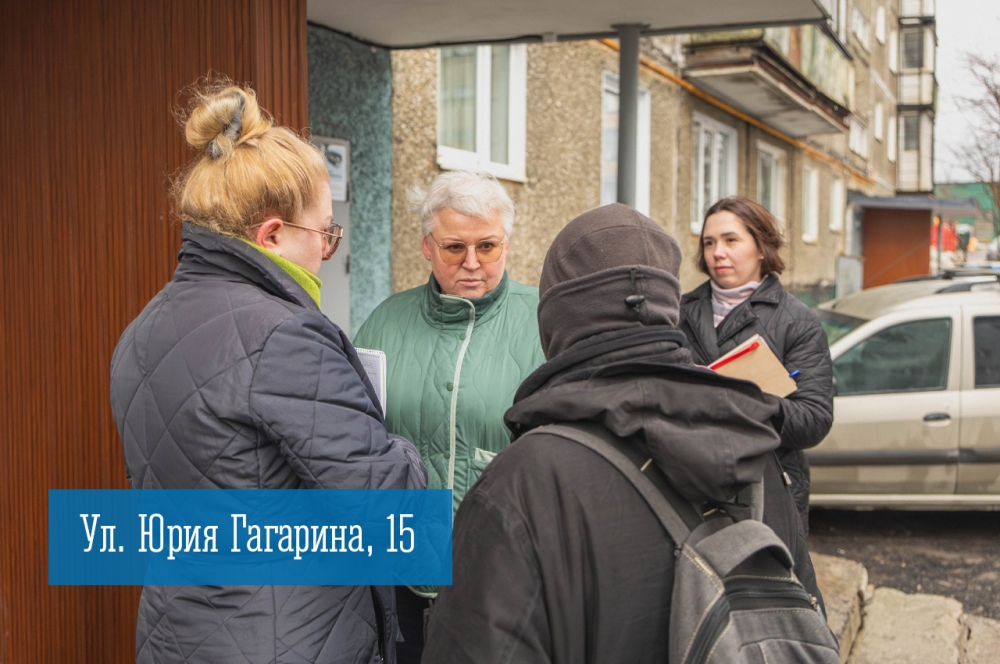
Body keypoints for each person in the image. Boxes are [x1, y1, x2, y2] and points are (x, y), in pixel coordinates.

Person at [110, 80, 426, 664]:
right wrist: (399, 444)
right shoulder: (286, 335)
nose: (327, 250)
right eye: (325, 233)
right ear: (273, 235)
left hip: (177, 635)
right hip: (287, 640)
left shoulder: (143, 329)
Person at [421, 203, 822, 664]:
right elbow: (807, 621)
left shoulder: (524, 480)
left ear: (555, 318)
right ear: (668, 307)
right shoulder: (754, 447)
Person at [353, 170, 546, 663]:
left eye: (488, 247)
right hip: (400, 573)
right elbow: (354, 438)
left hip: (503, 576)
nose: (472, 263)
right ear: (426, 246)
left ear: (506, 243)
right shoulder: (385, 322)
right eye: (454, 247)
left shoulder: (545, 322)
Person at [679, 196, 834, 533]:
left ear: (761, 248)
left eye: (731, 240)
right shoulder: (678, 313)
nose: (717, 252)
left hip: (768, 491)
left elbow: (814, 419)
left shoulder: (798, 322)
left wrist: (749, 402)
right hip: (689, 483)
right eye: (709, 242)